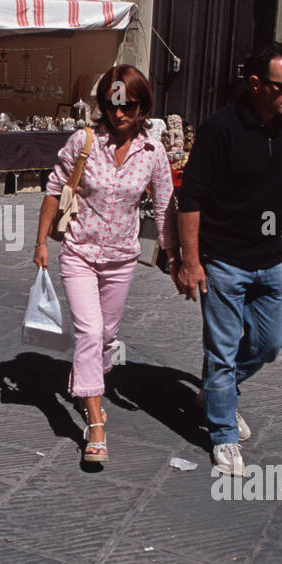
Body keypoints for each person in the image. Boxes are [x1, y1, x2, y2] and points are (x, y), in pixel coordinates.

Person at [174, 42, 282, 476]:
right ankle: (223, 433)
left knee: (267, 347)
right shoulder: (221, 128)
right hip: (224, 259)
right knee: (222, 350)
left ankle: (219, 394)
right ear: (255, 85)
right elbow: (191, 197)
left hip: (271, 258)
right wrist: (191, 262)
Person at [34, 65, 177, 465]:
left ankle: (84, 379)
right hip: (79, 252)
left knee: (108, 337)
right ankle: (95, 424)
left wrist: (173, 255)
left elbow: (165, 205)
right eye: (112, 106)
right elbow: (54, 187)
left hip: (121, 259)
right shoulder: (83, 142)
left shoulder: (153, 152)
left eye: (128, 106)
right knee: (90, 330)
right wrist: (41, 240)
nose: (119, 114)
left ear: (142, 106)